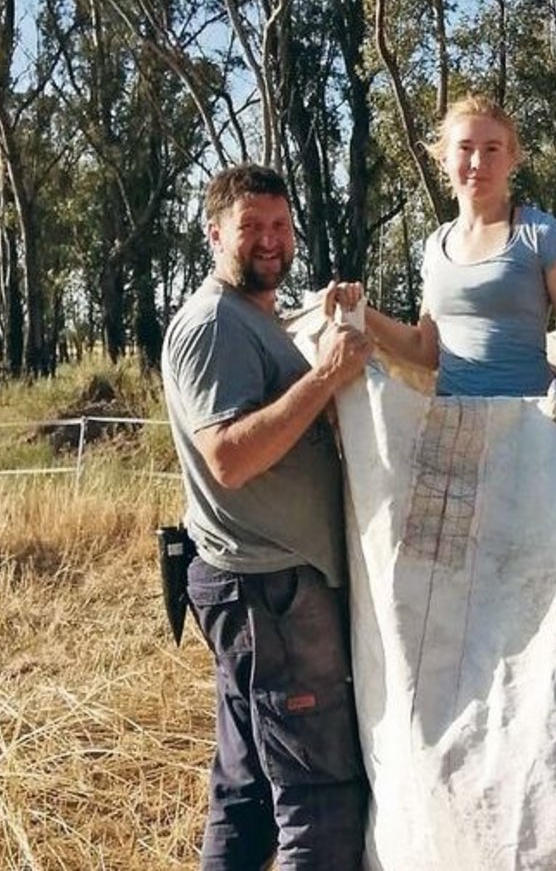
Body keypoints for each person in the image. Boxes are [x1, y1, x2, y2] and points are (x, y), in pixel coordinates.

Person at [161, 163, 374, 870]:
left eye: (280, 226)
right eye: (252, 227)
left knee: (248, 795)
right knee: (321, 804)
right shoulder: (212, 325)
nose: (271, 241)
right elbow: (227, 455)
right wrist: (325, 377)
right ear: (215, 232)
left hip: (262, 591)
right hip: (271, 594)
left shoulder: (255, 318)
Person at [324, 95, 556, 415]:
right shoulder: (435, 247)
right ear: (443, 158)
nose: (477, 163)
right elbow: (425, 351)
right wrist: (360, 310)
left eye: (492, 149)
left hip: (530, 425)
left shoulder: (544, 235)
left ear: (512, 159)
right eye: (465, 148)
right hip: (452, 426)